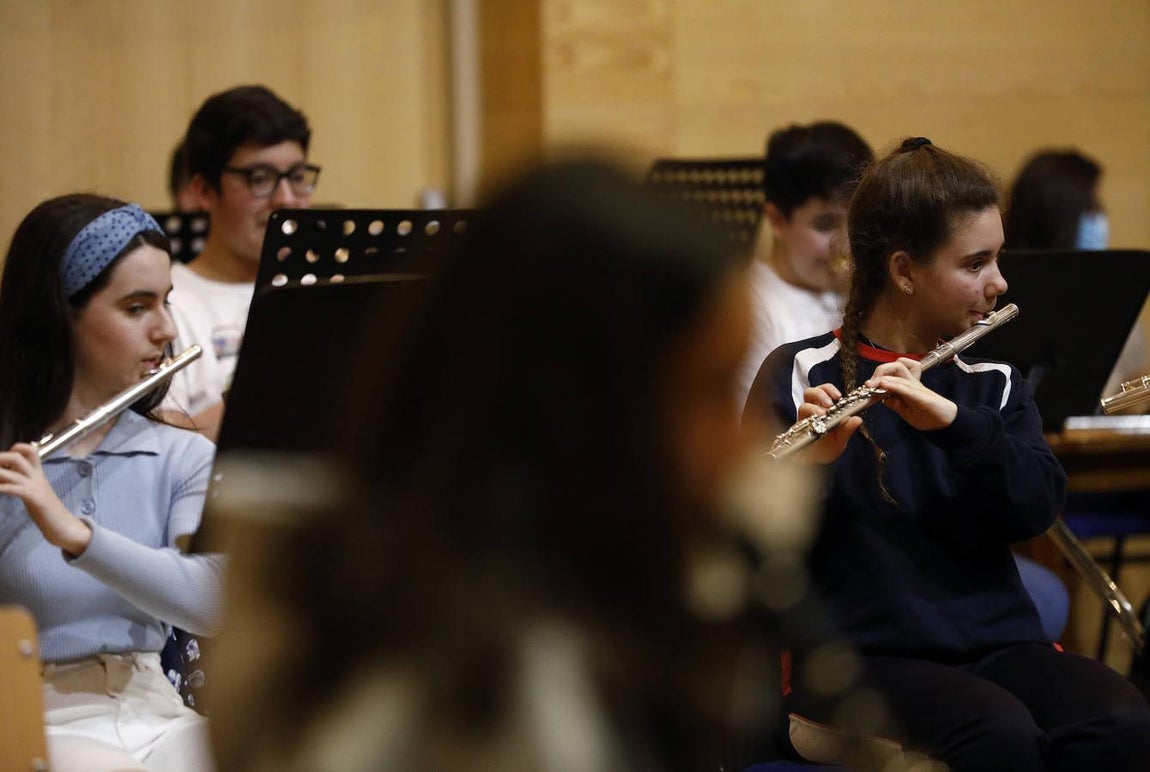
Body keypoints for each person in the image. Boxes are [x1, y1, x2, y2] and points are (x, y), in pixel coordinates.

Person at [203, 158, 789, 771]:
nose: (744, 441)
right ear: (580, 411)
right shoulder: (491, 704)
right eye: (711, 390)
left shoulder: (581, 603)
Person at [748, 138, 1150, 770]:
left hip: (997, 649)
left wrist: (959, 427)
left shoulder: (993, 382)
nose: (1000, 282)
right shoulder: (798, 374)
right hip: (852, 662)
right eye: (975, 263)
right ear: (905, 271)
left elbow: (1034, 508)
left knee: (1121, 722)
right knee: (998, 735)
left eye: (998, 258)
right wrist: (807, 471)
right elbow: (742, 551)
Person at [0, 194, 222, 770]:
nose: (165, 329)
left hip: (154, 708)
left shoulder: (181, 454)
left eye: (166, 301)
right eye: (136, 307)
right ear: (58, 316)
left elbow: (214, 602)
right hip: (34, 714)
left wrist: (79, 537)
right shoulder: (10, 462)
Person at [164, 85, 317, 441]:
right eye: (260, 179)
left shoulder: (329, 290)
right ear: (203, 191)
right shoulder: (167, 304)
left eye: (297, 177)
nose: (286, 199)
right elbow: (160, 443)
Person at [736, 120, 874, 406]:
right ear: (777, 220)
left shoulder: (855, 291)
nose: (845, 244)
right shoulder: (749, 305)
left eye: (856, 222)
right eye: (826, 224)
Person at [1005, 149, 1149, 402]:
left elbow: (1122, 401)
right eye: (1091, 208)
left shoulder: (1114, 304)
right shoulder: (1000, 293)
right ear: (1057, 216)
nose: (1100, 219)